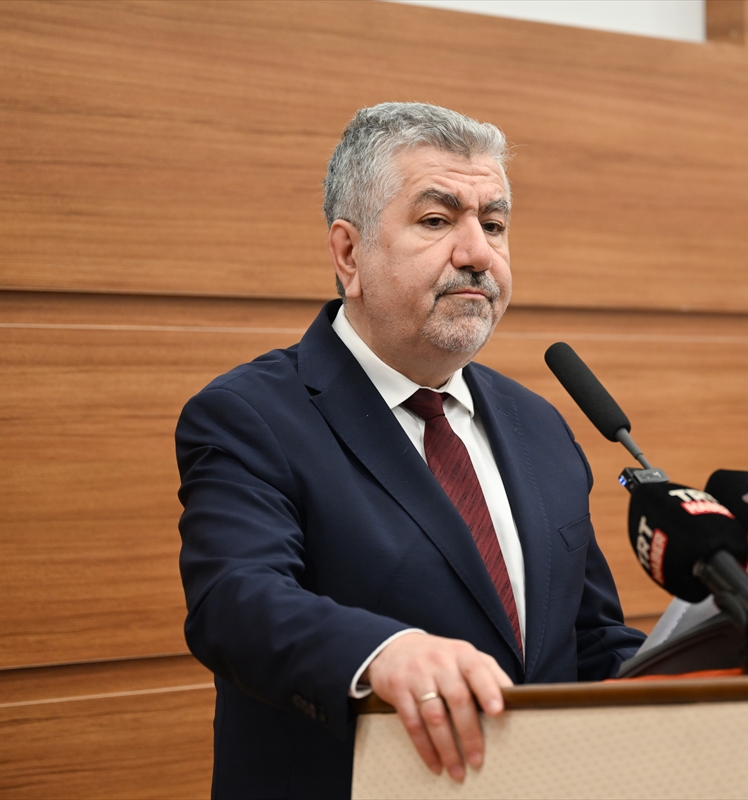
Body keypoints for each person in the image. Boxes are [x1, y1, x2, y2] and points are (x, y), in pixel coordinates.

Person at [176, 102, 646, 798]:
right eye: (436, 220)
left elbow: (589, 641)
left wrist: (722, 661)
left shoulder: (540, 424)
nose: (478, 253)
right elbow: (236, 602)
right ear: (348, 253)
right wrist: (384, 652)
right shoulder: (251, 416)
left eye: (493, 225)